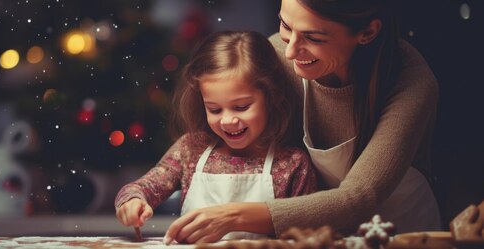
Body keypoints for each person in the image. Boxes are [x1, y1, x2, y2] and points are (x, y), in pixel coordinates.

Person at [164, 0, 441, 244]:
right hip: (318, 237)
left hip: (403, 233)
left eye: (313, 38)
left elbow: (358, 198)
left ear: (367, 32)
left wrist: (234, 215)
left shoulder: (410, 78)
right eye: (286, 25)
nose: (290, 51)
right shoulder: (275, 57)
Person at [114, 31, 317, 241]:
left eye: (241, 107)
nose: (227, 120)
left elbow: (309, 232)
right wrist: (132, 202)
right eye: (215, 109)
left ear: (272, 97)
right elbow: (142, 188)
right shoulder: (191, 149)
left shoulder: (292, 164)